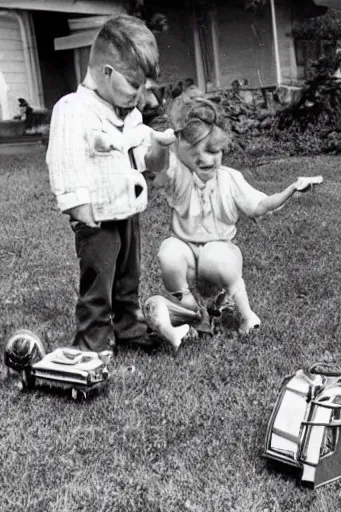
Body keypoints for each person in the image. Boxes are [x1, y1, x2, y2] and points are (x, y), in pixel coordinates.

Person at [46, 14, 175, 353]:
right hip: (98, 217)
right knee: (99, 279)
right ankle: (93, 341)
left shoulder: (128, 115)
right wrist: (78, 204)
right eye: (135, 86)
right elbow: (63, 160)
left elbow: (144, 161)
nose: (143, 98)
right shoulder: (73, 109)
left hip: (127, 208)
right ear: (106, 72)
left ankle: (129, 328)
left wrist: (158, 152)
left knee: (127, 276)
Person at [149, 90, 320, 336]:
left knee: (214, 254)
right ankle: (193, 312)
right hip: (188, 254)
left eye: (215, 152)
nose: (208, 159)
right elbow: (158, 166)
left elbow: (260, 205)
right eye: (199, 153)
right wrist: (162, 143)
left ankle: (247, 315)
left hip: (219, 255)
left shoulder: (230, 178)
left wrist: (291, 190)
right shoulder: (179, 175)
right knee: (169, 252)